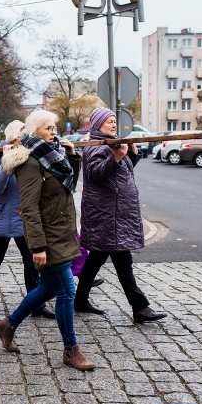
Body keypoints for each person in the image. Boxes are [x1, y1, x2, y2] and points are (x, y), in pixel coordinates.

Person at [0, 109, 94, 371]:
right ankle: (71, 349)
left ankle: (8, 325)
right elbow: (29, 207)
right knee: (67, 291)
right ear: (35, 130)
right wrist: (37, 246)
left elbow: (66, 185)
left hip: (62, 229)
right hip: (47, 235)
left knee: (48, 289)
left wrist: (72, 156)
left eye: (55, 127)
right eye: (49, 128)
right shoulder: (29, 161)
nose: (54, 131)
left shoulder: (53, 154)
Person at [74, 108, 167, 324]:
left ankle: (80, 300)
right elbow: (95, 175)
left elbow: (124, 170)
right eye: (108, 121)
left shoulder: (112, 143)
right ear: (97, 125)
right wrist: (116, 156)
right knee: (122, 260)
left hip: (116, 213)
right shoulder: (95, 147)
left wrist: (130, 153)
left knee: (97, 257)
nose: (113, 125)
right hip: (107, 214)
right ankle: (140, 308)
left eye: (114, 121)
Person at [0, 120, 53, 318]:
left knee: (30, 260)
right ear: (15, 137)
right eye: (24, 135)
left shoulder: (29, 154)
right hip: (4, 217)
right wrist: (8, 160)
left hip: (24, 216)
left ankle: (35, 303)